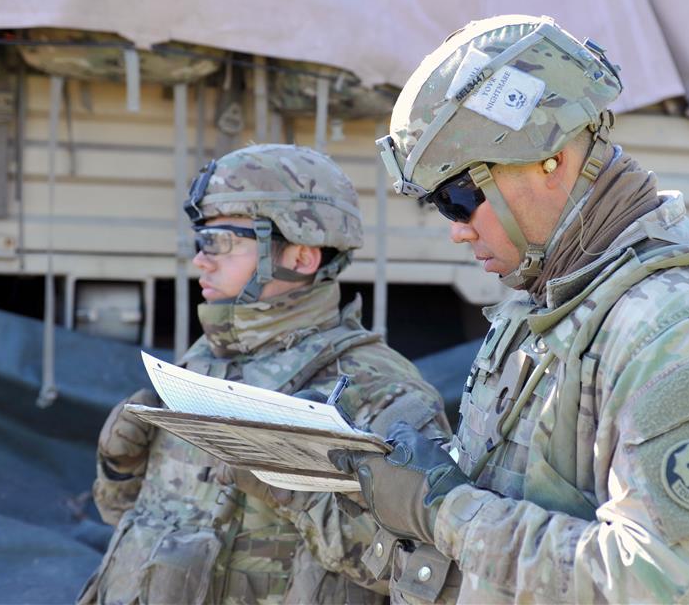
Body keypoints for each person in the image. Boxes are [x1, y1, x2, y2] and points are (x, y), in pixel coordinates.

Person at [330, 15, 689, 603]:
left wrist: (447, 511)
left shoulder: (679, 325)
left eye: (458, 198)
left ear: (550, 160)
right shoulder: (554, 302)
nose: (456, 231)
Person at [79, 144, 451, 605]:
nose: (201, 259)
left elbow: (423, 572)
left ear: (300, 255)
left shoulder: (377, 388)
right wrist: (119, 471)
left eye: (220, 242)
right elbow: (136, 525)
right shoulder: (204, 361)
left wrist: (297, 493)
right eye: (200, 241)